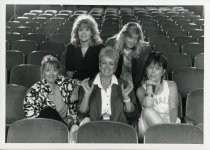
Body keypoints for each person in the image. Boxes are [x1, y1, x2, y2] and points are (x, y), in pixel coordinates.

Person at [23, 55, 89, 143]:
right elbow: (31, 120)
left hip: (69, 122)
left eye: (54, 70)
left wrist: (75, 91)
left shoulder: (62, 82)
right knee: (47, 111)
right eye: (47, 70)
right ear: (42, 72)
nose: (51, 74)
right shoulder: (33, 92)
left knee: (87, 120)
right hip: (48, 128)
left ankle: (71, 134)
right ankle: (70, 133)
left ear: (58, 72)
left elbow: (77, 82)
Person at [77, 46, 139, 124]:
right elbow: (82, 113)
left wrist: (126, 98)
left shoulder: (125, 86)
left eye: (111, 64)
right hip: (94, 129)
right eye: (104, 63)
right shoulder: (88, 86)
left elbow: (132, 115)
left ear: (115, 67)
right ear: (99, 65)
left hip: (119, 130)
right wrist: (87, 95)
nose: (107, 67)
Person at [136, 52, 181, 138]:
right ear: (146, 69)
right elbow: (148, 106)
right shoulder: (141, 90)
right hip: (149, 128)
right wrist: (149, 85)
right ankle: (169, 138)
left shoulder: (171, 85)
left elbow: (173, 108)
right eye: (150, 68)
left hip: (170, 125)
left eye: (157, 68)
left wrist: (171, 127)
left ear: (163, 71)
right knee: (147, 111)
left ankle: (168, 136)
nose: (153, 71)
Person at [106, 22, 151, 89]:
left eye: (135, 39)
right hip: (115, 84)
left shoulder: (144, 50)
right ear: (124, 36)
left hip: (135, 86)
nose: (132, 41)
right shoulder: (112, 45)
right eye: (130, 37)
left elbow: (145, 73)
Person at [65, 14, 104, 81]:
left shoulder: (100, 48)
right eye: (80, 30)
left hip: (94, 83)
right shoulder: (70, 47)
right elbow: (69, 70)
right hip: (76, 83)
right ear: (77, 32)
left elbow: (102, 71)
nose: (83, 33)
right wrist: (71, 85)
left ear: (92, 33)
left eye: (87, 30)